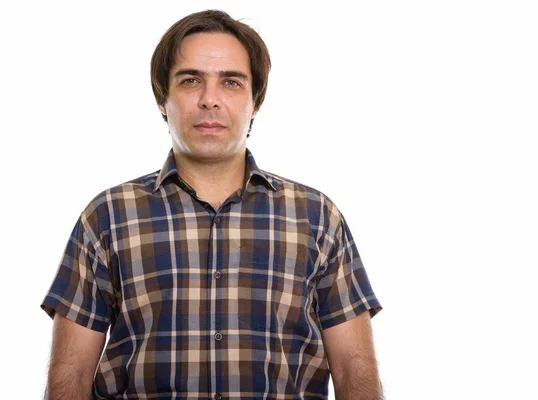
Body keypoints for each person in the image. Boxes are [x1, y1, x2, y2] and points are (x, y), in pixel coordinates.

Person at [41, 9, 383, 400]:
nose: (210, 100)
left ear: (255, 102)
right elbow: (72, 372)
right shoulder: (106, 217)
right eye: (190, 81)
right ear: (162, 99)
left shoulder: (317, 217)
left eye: (231, 82)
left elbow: (353, 367)